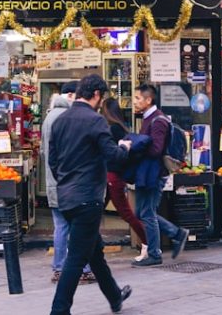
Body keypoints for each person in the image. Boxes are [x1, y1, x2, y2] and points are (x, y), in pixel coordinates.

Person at [48, 74, 133, 315]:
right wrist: (124, 147)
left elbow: (53, 162)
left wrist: (66, 182)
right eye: (100, 98)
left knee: (94, 252)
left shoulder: (59, 121)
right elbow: (114, 157)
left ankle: (115, 297)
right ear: (96, 94)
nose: (100, 103)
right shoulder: (96, 121)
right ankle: (59, 310)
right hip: (87, 198)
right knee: (76, 259)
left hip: (66, 196)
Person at [42, 82, 95, 284]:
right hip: (67, 183)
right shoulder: (64, 117)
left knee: (61, 226)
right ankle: (80, 268)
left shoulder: (49, 116)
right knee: (74, 227)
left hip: (53, 181)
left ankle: (59, 268)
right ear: (71, 95)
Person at [131, 83, 188, 267]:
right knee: (142, 212)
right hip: (147, 173)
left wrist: (135, 146)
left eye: (138, 98)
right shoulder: (149, 118)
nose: (135, 101)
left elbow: (156, 149)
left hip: (154, 174)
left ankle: (155, 254)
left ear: (148, 100)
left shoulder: (158, 121)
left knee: (146, 212)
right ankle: (177, 234)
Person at [100, 97, 149, 262]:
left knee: (126, 213)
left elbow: (114, 153)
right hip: (112, 176)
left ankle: (147, 243)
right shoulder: (119, 127)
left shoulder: (113, 129)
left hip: (112, 176)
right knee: (97, 212)